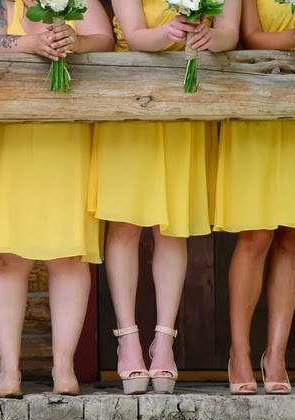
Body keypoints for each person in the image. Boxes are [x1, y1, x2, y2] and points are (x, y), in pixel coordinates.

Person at [89, 0, 239, 394]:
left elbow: (230, 32)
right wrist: (169, 32)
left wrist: (211, 37)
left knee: (172, 227)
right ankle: (128, 343)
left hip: (186, 105)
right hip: (132, 97)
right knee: (124, 224)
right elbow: (136, 34)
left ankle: (164, 345)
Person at [0, 0, 112, 397]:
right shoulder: (6, 3)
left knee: (68, 254)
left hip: (68, 134)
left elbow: (104, 39)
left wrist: (77, 41)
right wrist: (29, 44)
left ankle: (64, 366)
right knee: (6, 256)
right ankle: (9, 370)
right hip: (10, 134)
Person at [214, 0, 295, 394]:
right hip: (256, 99)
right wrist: (294, 35)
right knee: (256, 233)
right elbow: (249, 36)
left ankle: (275, 353)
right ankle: (239, 352)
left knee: (292, 232)